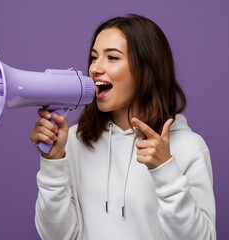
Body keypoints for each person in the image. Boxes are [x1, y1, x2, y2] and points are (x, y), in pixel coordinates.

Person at [30, 14, 216, 240]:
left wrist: (166, 170)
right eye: (94, 57)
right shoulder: (74, 141)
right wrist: (53, 162)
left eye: (112, 58)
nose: (95, 68)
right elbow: (56, 236)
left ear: (145, 69)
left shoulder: (188, 147)